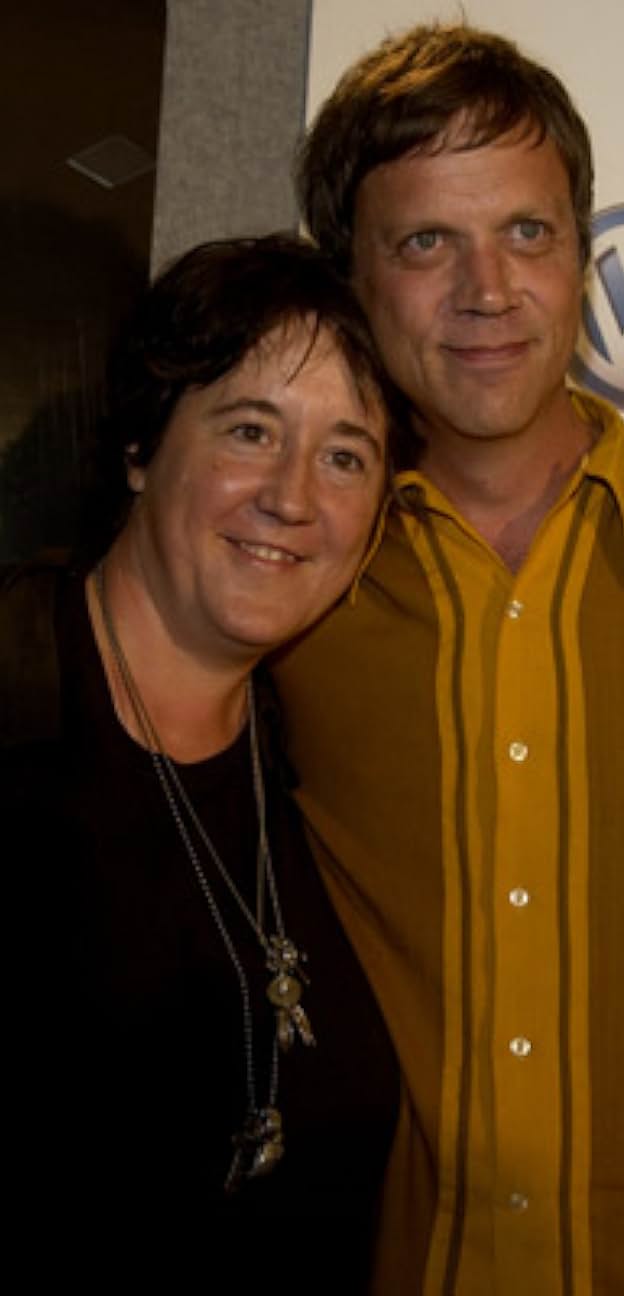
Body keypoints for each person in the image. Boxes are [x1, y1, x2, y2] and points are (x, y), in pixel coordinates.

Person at [271, 23, 624, 1296]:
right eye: (425, 243)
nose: (487, 288)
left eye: (527, 232)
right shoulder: (295, 584)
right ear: (349, 278)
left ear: (581, 252)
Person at [1, 233, 399, 1286]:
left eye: (346, 454)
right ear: (141, 445)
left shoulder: (309, 761)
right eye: (250, 429)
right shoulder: (18, 703)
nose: (293, 497)